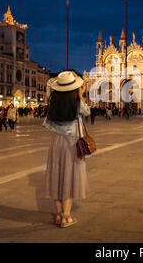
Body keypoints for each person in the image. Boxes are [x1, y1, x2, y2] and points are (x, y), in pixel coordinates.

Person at [43, 71, 91, 228]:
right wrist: (81, 95)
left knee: (57, 177)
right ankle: (66, 217)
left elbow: (48, 124)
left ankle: (58, 215)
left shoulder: (54, 102)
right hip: (72, 144)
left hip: (57, 143)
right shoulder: (77, 102)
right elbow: (87, 112)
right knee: (70, 179)